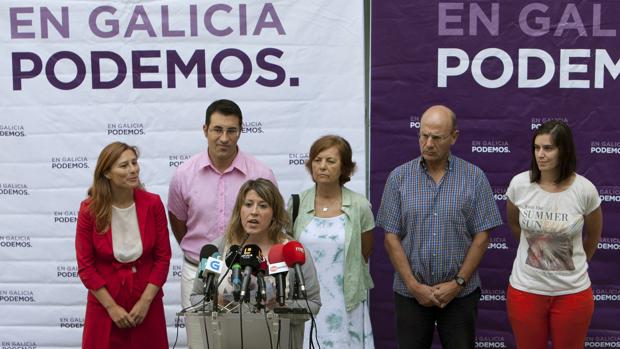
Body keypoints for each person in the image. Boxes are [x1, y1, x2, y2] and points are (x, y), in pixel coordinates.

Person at [376, 105, 503, 349]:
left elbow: (482, 237)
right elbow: (390, 237)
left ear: (454, 137)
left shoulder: (474, 177)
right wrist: (414, 286)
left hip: (460, 294)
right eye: (423, 136)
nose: (428, 143)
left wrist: (457, 283)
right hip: (410, 293)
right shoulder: (399, 178)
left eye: (437, 137)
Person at [167, 99, 277, 309]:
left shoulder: (261, 173)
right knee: (201, 340)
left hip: (249, 272)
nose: (224, 138)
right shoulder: (183, 174)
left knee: (249, 340)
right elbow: (179, 223)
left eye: (231, 131)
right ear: (205, 129)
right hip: (198, 271)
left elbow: (273, 221)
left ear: (240, 131)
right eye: (217, 129)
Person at [189, 178, 321, 349]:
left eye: (263, 206)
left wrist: (282, 306)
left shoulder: (291, 251)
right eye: (248, 204)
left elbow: (313, 303)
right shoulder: (218, 248)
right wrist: (217, 302)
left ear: (275, 212)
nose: (254, 212)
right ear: (239, 210)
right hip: (228, 342)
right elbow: (196, 296)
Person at [505, 120, 603, 349]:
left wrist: (577, 264)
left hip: (572, 293)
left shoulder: (584, 189)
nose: (540, 154)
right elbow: (515, 225)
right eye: (536, 148)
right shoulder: (519, 184)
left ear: (564, 150)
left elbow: (594, 236)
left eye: (548, 148)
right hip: (526, 291)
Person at [75, 142, 172, 349]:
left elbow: (163, 258)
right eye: (124, 165)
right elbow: (86, 267)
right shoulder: (88, 211)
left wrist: (145, 303)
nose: (133, 170)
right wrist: (112, 308)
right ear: (107, 173)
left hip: (146, 303)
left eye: (134, 163)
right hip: (105, 305)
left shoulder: (153, 203)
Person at [289, 135, 375, 348]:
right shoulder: (296, 203)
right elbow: (288, 250)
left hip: (346, 302)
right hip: (305, 301)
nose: (322, 166)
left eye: (330, 161)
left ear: (344, 168)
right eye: (317, 160)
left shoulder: (359, 206)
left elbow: (364, 252)